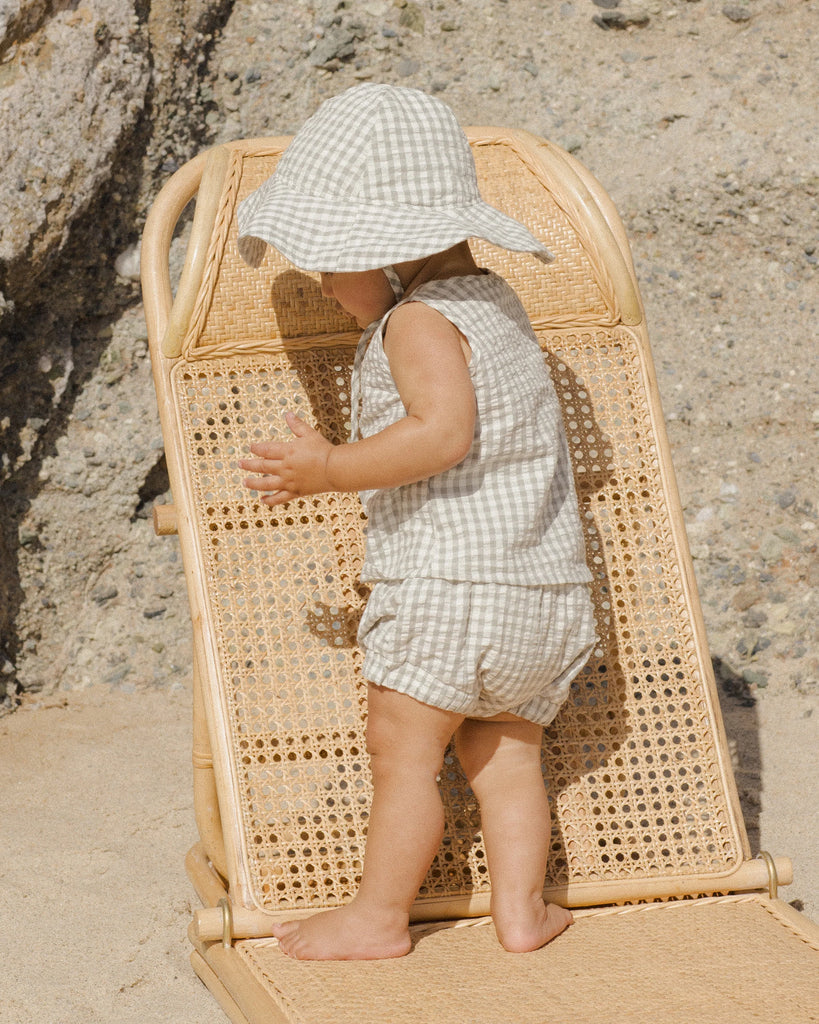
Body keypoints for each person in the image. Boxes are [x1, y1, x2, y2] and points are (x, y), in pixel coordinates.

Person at [237, 83, 595, 961]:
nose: (325, 285)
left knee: (402, 759)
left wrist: (326, 468)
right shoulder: (496, 304)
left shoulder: (417, 320)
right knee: (507, 761)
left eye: (332, 262)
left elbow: (441, 434)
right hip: (546, 602)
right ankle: (521, 911)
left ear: (393, 253)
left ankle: (378, 913)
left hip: (451, 595)